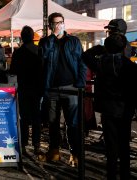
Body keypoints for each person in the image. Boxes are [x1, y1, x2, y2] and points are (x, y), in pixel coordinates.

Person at [82, 33, 137, 180]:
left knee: (111, 147)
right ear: (124, 48)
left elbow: (85, 55)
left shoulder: (101, 64)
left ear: (107, 47)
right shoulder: (129, 66)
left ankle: (111, 175)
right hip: (124, 110)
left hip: (107, 109)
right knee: (124, 145)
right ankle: (125, 174)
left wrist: (99, 49)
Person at [38, 12, 87, 167]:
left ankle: (75, 153)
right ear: (50, 26)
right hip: (51, 89)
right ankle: (54, 152)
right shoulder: (45, 42)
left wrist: (80, 82)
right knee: (52, 122)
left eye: (60, 22)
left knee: (72, 123)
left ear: (64, 23)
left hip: (71, 87)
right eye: (54, 23)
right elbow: (42, 59)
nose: (58, 25)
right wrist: (53, 37)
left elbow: (81, 62)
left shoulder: (73, 41)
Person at [9, 26, 44, 159]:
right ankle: (36, 145)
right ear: (32, 37)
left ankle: (23, 143)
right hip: (37, 88)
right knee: (36, 117)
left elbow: (12, 71)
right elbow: (43, 69)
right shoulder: (39, 50)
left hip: (23, 88)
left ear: (22, 37)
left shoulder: (18, 52)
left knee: (24, 117)